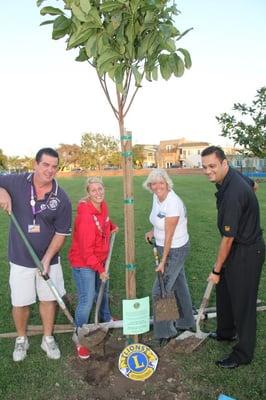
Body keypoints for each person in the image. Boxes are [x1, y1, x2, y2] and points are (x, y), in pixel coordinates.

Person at [0, 148, 72, 362]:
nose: (50, 170)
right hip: (21, 258)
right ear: (35, 164)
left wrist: (47, 259)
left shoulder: (62, 198)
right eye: (45, 165)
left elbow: (61, 234)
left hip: (49, 260)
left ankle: (47, 338)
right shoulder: (18, 182)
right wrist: (2, 191)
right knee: (20, 302)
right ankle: (22, 338)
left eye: (54, 167)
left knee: (49, 299)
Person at [201, 145, 265, 369]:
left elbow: (227, 239)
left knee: (243, 302)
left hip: (247, 251)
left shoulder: (232, 195)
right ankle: (226, 332)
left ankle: (243, 353)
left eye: (212, 166)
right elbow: (253, 184)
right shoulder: (234, 177)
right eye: (205, 167)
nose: (208, 171)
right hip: (238, 247)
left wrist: (216, 270)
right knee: (225, 292)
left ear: (224, 163)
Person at [143, 168, 195, 346]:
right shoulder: (156, 197)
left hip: (175, 249)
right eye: (154, 183)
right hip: (163, 243)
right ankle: (187, 322)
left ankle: (166, 332)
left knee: (161, 289)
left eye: (161, 183)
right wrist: (153, 231)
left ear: (167, 183)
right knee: (179, 285)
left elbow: (169, 236)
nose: (157, 186)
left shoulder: (173, 203)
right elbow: (159, 221)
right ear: (150, 185)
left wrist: (163, 261)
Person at [68, 176, 118, 360]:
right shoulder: (85, 218)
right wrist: (100, 269)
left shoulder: (102, 206)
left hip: (98, 260)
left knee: (103, 291)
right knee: (87, 300)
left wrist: (111, 226)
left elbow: (104, 222)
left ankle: (106, 318)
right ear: (88, 193)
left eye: (100, 189)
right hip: (84, 264)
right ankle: (80, 338)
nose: (98, 193)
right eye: (94, 190)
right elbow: (86, 251)